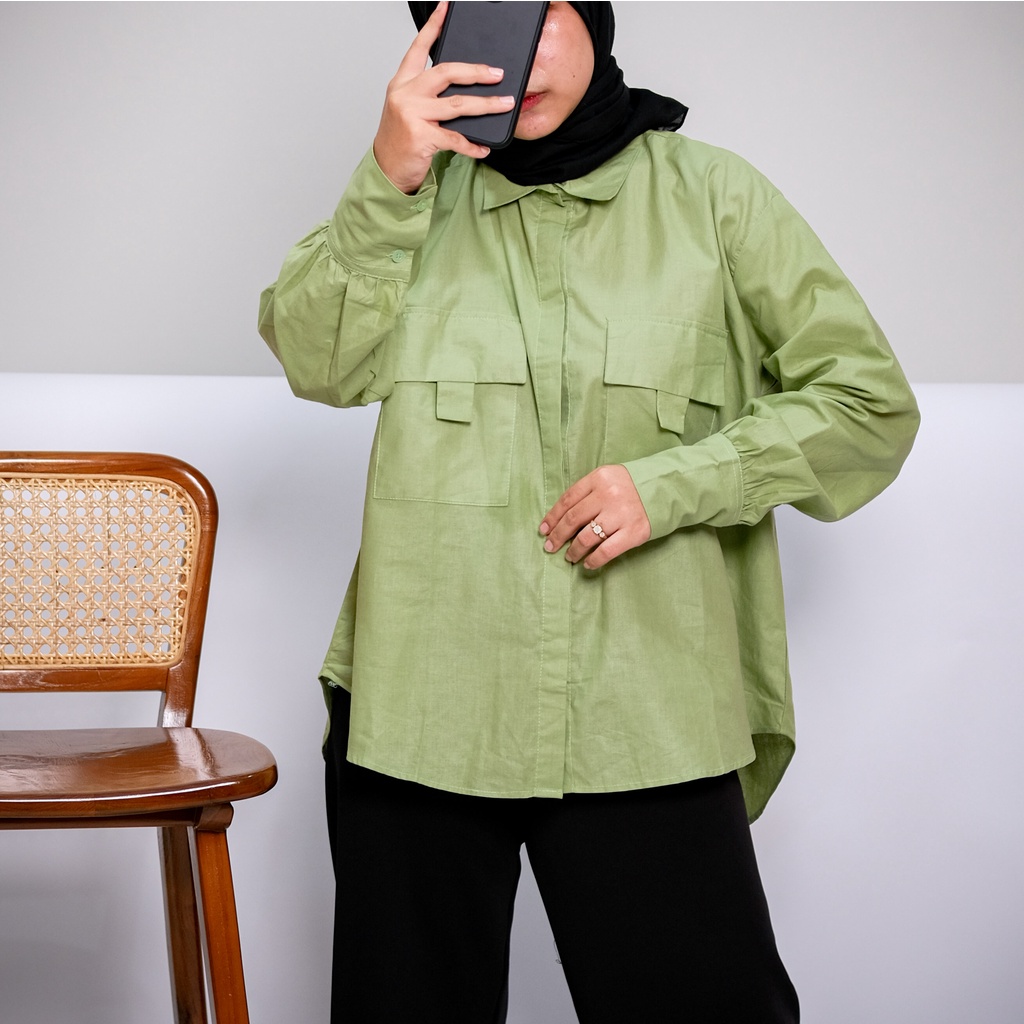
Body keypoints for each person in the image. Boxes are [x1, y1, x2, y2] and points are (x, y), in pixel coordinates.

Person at [258, 3, 919, 1021]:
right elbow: (318, 361)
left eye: (539, 12)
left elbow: (868, 405)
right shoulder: (407, 201)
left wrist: (675, 484)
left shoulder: (716, 198)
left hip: (646, 706)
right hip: (418, 703)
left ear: (595, 17)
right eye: (476, 17)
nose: (515, 55)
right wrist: (386, 175)